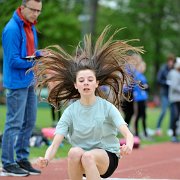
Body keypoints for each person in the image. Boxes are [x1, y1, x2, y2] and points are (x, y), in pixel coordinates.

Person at [34, 26, 144, 179]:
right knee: (74, 152)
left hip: (107, 157)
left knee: (88, 157)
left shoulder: (106, 107)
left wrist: (128, 146)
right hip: (81, 157)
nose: (86, 83)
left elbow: (128, 134)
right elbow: (55, 144)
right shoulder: (70, 112)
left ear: (96, 83)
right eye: (81, 80)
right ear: (76, 85)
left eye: (90, 80)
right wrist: (46, 158)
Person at [1, 0, 42, 177]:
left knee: (29, 122)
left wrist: (40, 55)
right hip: (16, 84)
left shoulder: (31, 26)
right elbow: (12, 61)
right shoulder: (11, 29)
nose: (35, 13)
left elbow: (29, 54)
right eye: (32, 9)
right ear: (22, 7)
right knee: (14, 124)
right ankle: (8, 162)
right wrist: (37, 62)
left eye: (38, 11)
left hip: (29, 81)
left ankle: (22, 159)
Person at [155, 54, 175, 136]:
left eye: (172, 61)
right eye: (169, 61)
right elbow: (158, 80)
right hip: (165, 93)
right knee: (163, 111)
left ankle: (171, 129)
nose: (171, 63)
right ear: (167, 61)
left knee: (173, 112)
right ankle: (158, 127)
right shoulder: (163, 69)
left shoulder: (174, 70)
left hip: (172, 94)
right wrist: (166, 82)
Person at [167, 58, 180, 142]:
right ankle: (173, 134)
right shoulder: (173, 73)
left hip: (179, 99)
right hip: (174, 99)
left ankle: (175, 134)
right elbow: (174, 86)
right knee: (174, 116)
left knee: (177, 117)